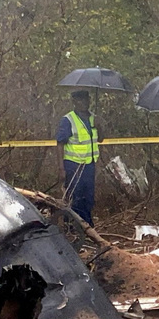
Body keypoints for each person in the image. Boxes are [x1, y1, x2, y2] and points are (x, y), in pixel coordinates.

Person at [55, 89, 99, 225]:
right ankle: (77, 226)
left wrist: (100, 126)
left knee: (89, 197)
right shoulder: (68, 120)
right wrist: (61, 168)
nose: (84, 103)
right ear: (74, 102)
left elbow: (101, 139)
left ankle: (85, 224)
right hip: (73, 164)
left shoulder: (93, 117)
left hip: (89, 164)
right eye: (80, 100)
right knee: (76, 197)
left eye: (86, 99)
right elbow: (60, 143)